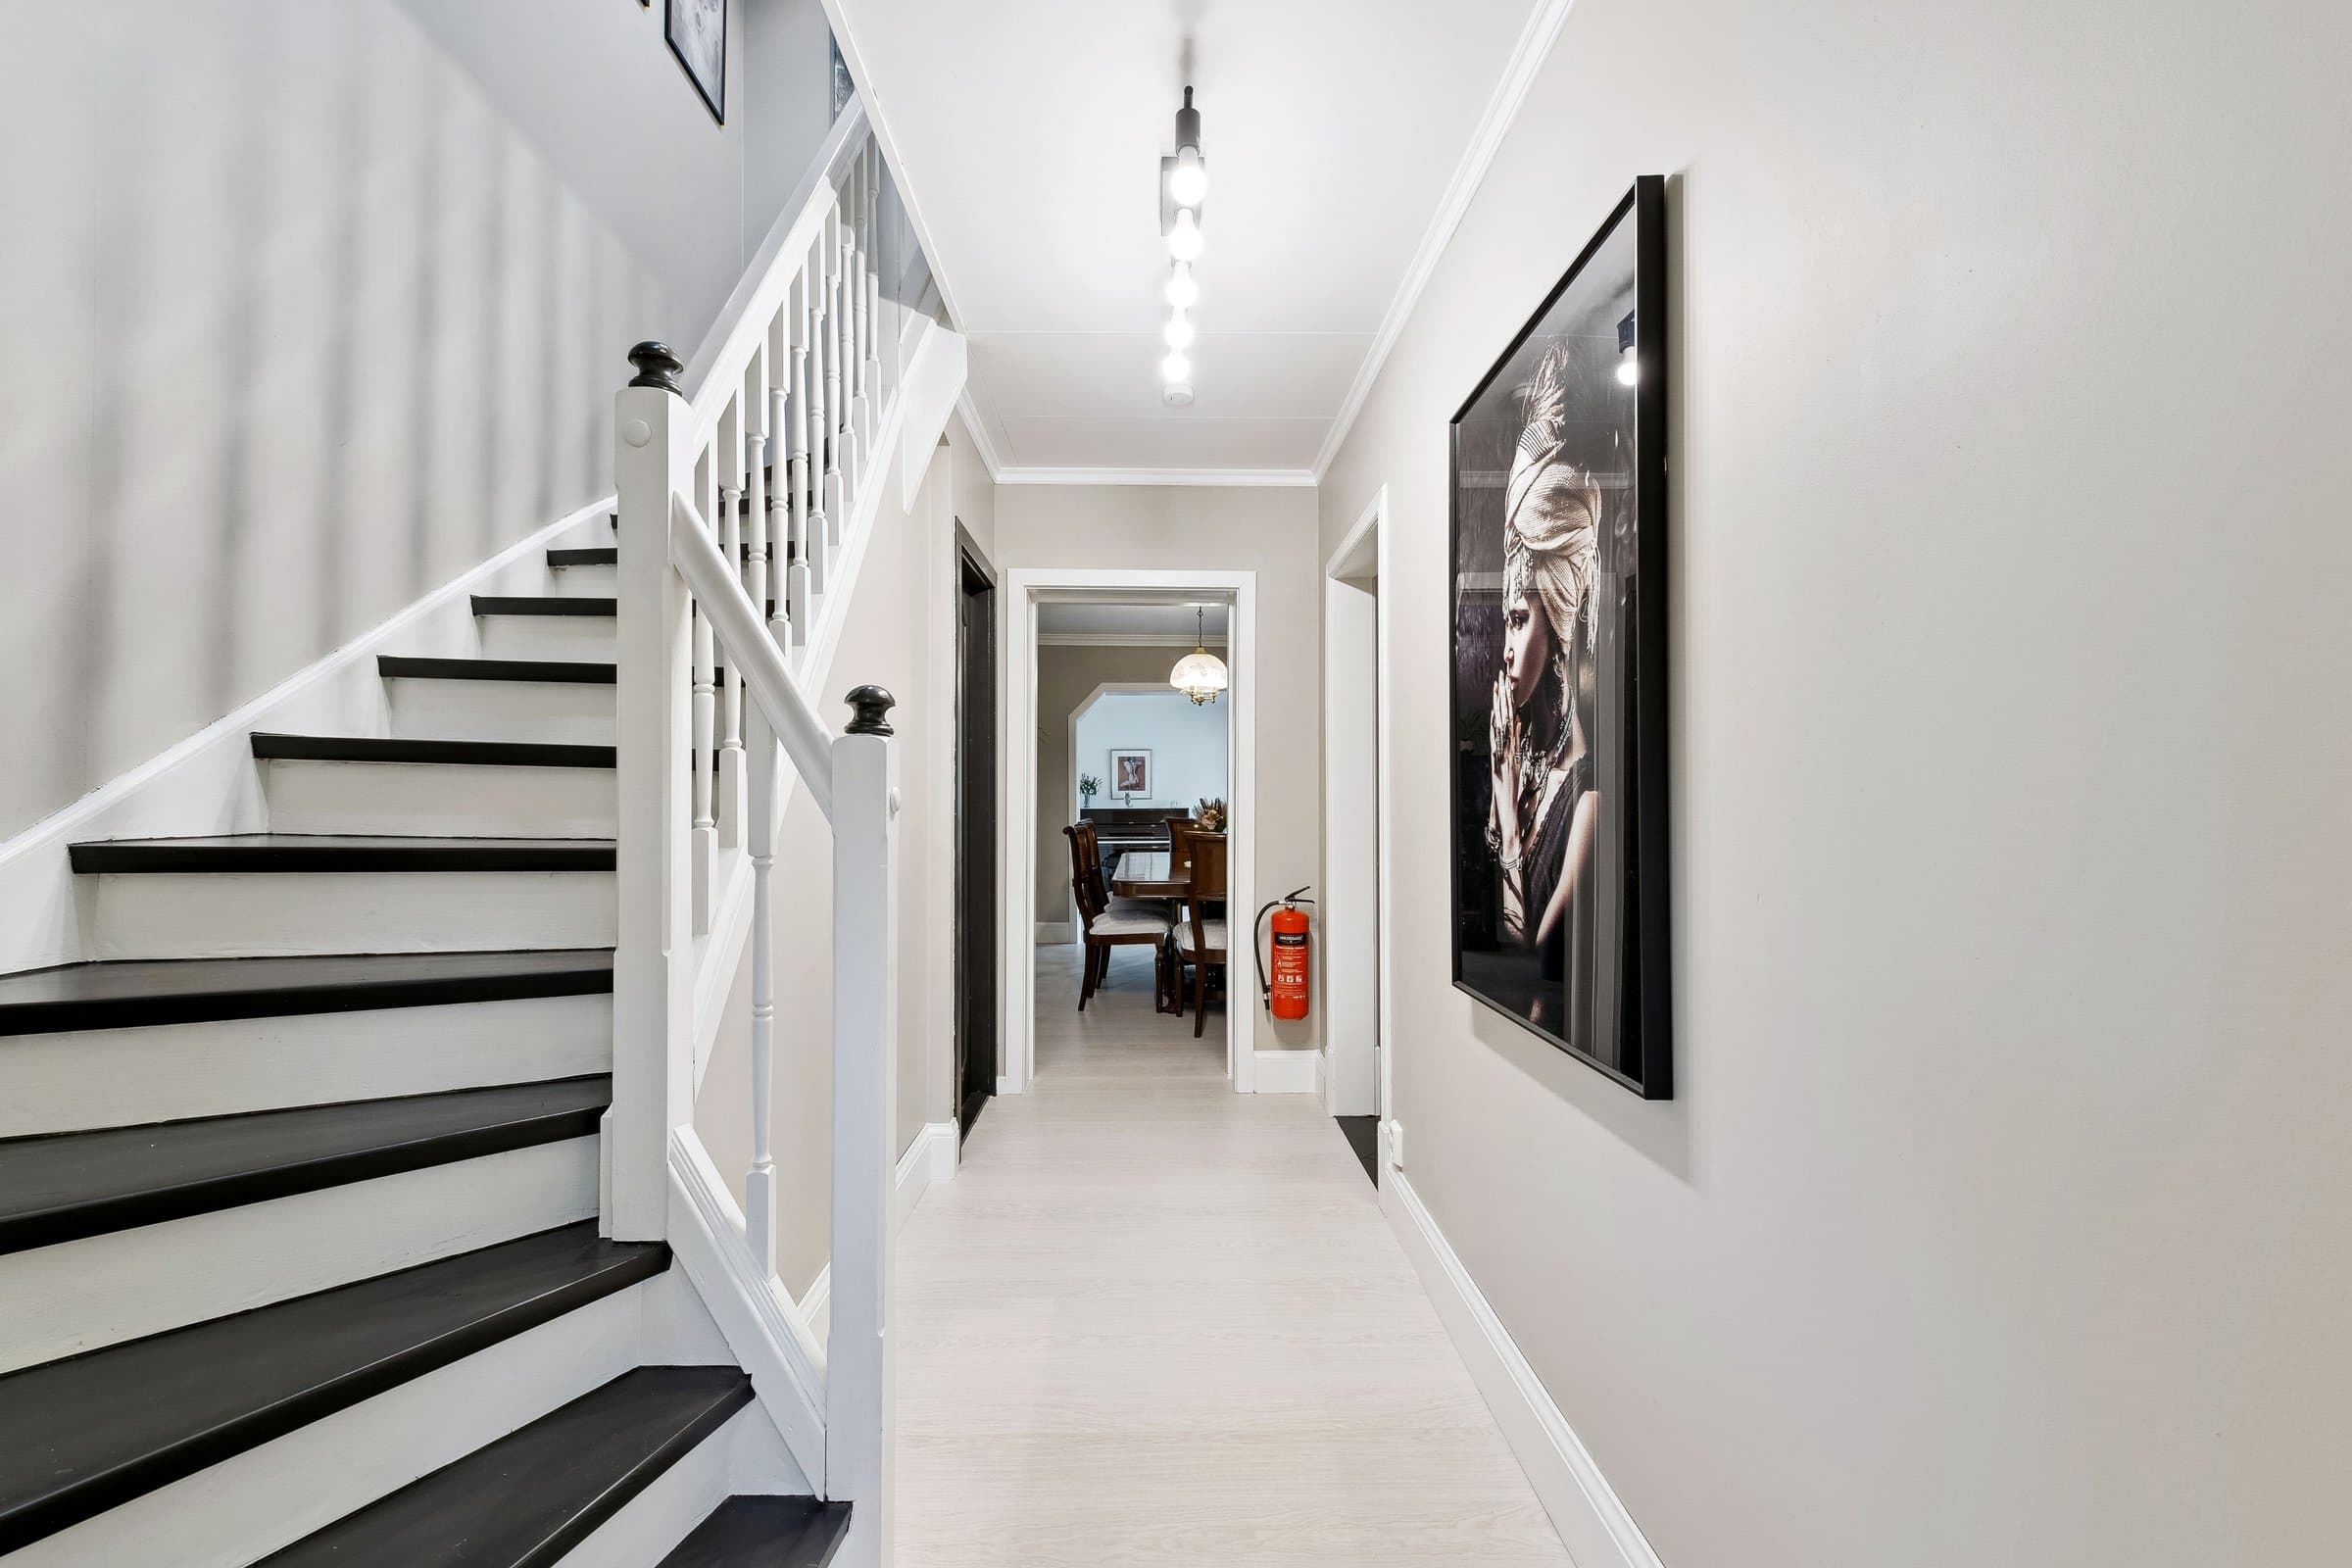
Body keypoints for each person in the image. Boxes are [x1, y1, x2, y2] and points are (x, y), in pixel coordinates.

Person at [1486, 345, 1602, 1028]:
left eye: (1519, 620)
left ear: (1557, 624)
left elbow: (1525, 966)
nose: (1506, 646)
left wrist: (1505, 805)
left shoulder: (1588, 798)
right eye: (1506, 620)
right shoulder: (1527, 761)